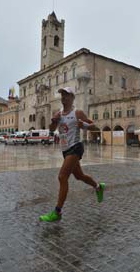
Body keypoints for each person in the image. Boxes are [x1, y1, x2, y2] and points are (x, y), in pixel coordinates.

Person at [39, 87, 105, 222]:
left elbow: (94, 126)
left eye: (66, 95)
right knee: (79, 176)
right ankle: (98, 187)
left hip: (75, 147)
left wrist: (84, 125)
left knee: (62, 177)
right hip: (65, 150)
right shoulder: (59, 114)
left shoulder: (77, 113)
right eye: (62, 95)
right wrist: (54, 121)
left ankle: (57, 212)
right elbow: (51, 130)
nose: (63, 97)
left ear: (72, 97)